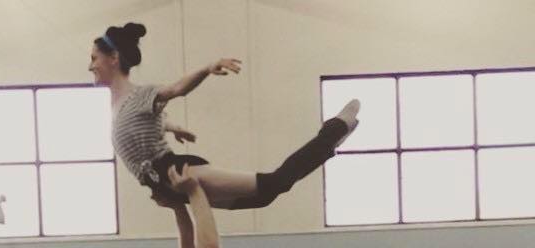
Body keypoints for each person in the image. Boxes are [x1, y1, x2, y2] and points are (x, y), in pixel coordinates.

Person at [89, 22, 359, 210]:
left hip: (174, 170)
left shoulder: (139, 95)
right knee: (263, 198)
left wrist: (207, 68)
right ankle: (331, 141)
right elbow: (142, 123)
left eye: (94, 58)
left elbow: (177, 89)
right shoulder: (120, 107)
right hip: (163, 184)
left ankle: (335, 129)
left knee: (274, 182)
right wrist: (173, 126)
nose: (90, 65)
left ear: (113, 58)